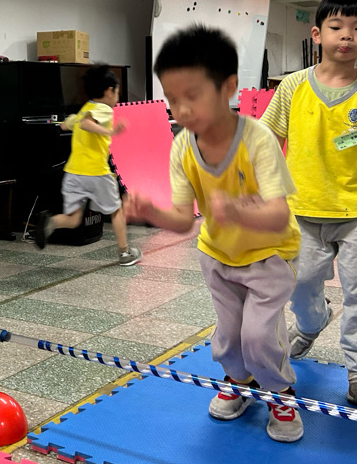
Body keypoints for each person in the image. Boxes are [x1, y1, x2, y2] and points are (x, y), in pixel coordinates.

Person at [130, 26, 304, 442]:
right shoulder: (182, 146)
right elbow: (182, 220)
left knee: (259, 336)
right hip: (217, 255)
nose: (181, 110)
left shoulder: (257, 139)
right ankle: (239, 381)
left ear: (228, 87)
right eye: (172, 100)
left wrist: (240, 211)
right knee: (228, 336)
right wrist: (151, 212)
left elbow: (279, 215)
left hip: (270, 255)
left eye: (192, 96)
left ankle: (281, 393)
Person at [260, 0, 357, 407]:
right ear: (317, 34)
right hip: (301, 209)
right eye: (337, 27)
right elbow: (268, 140)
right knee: (300, 282)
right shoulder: (293, 87)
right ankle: (312, 322)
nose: (347, 36)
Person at [32, 65, 142, 265]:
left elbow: (65, 125)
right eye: (117, 92)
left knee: (74, 219)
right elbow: (86, 124)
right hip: (96, 172)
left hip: (73, 173)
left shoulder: (83, 110)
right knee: (117, 211)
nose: (117, 97)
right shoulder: (103, 110)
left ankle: (50, 223)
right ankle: (125, 253)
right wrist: (111, 132)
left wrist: (69, 123)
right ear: (109, 91)